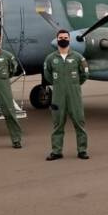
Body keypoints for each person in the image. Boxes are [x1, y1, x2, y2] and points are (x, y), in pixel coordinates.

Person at [43, 29, 90, 160]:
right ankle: (56, 151)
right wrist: (59, 84)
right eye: (61, 37)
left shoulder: (78, 57)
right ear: (57, 39)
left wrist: (74, 84)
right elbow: (48, 75)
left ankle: (82, 150)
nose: (63, 39)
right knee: (57, 124)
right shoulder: (51, 58)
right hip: (57, 96)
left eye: (65, 37)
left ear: (69, 39)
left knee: (79, 122)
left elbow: (85, 74)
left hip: (74, 95)